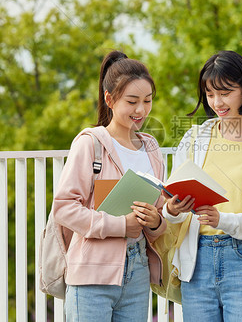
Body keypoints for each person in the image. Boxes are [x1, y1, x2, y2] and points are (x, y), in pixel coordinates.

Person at [162, 50, 242, 321]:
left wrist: (223, 219)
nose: (217, 102)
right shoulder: (194, 137)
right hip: (196, 261)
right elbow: (173, 208)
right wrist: (172, 209)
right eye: (210, 94)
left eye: (225, 92)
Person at [53, 50, 167, 322]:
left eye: (147, 101)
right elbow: (64, 208)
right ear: (109, 99)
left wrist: (155, 222)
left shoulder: (151, 147)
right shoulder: (90, 143)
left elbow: (160, 213)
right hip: (92, 272)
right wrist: (120, 226)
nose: (141, 110)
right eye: (132, 101)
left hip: (138, 271)